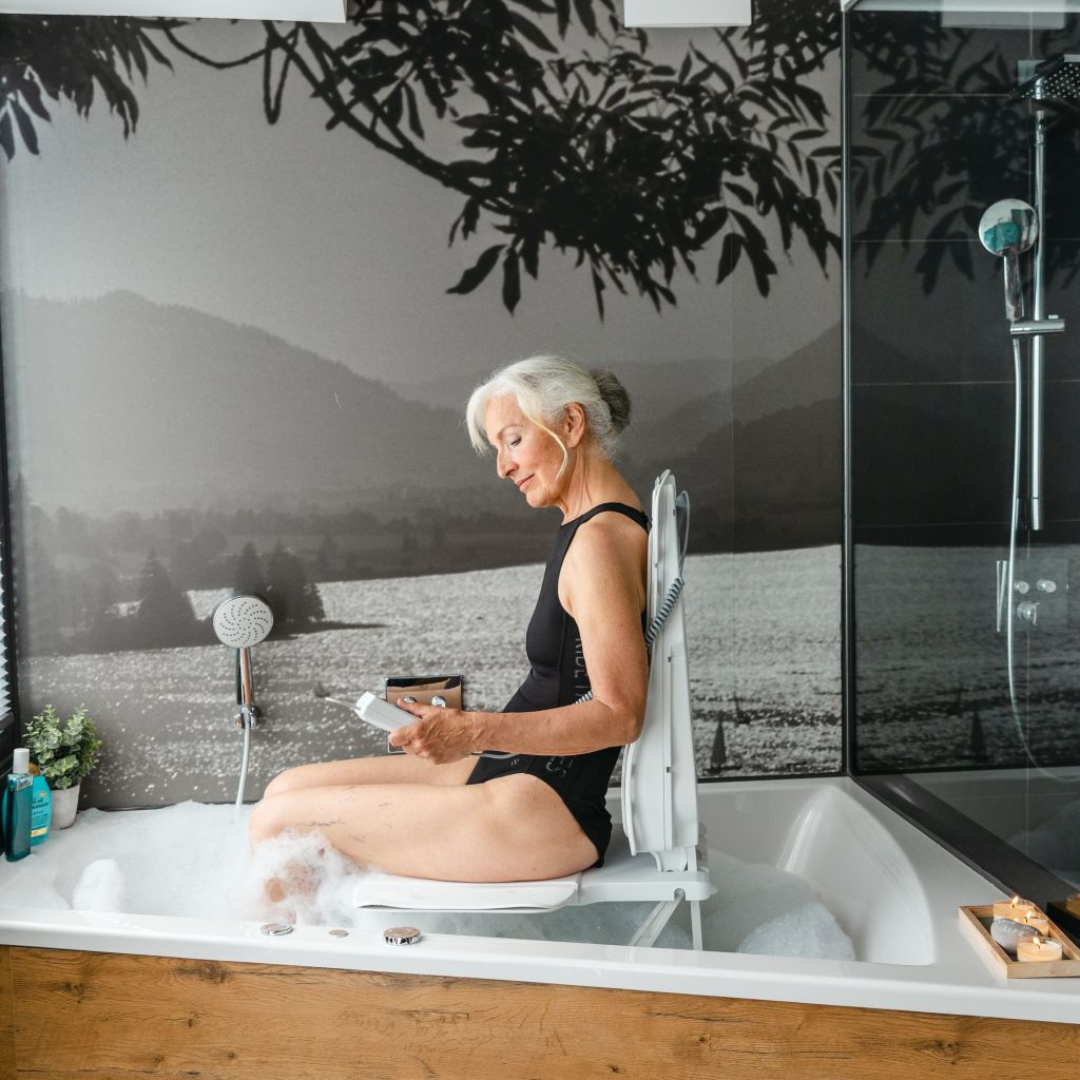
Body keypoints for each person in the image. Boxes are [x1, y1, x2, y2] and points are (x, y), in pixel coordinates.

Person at [248, 355, 649, 885]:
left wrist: (473, 730)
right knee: (284, 790)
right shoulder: (594, 526)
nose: (503, 466)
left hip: (544, 810)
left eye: (512, 440)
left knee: (276, 823)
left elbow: (620, 715)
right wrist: (458, 731)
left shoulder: (598, 542)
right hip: (516, 772)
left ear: (571, 425)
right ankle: (314, 945)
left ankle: (284, 961)